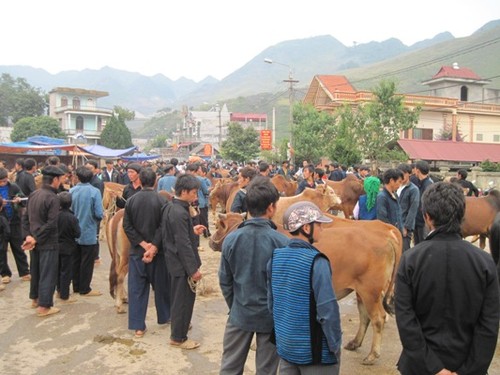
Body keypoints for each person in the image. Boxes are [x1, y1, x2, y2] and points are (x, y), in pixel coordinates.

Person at [395, 182, 499, 375]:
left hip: (419, 366)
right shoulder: (485, 263)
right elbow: (489, 325)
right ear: (462, 215)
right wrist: (470, 369)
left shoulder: (411, 260)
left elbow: (406, 320)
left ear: (427, 217)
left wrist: (434, 368)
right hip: (467, 364)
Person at [219, 176, 289, 374]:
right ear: (271, 208)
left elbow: (225, 282)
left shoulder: (231, 240)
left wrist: (235, 307)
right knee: (266, 370)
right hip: (270, 318)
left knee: (230, 366)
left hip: (239, 314)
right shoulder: (282, 243)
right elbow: (284, 287)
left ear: (248, 207)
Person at [268, 201, 341, 374]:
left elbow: (272, 304)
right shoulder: (317, 262)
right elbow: (327, 311)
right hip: (315, 354)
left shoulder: (275, 257)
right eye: (319, 225)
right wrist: (334, 345)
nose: (322, 229)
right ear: (306, 228)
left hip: (286, 348)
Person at [123, 168, 170, 338]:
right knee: (162, 287)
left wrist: (143, 245)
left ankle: (138, 327)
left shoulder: (131, 201)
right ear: (156, 181)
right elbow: (164, 227)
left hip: (137, 252)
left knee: (137, 289)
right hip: (159, 253)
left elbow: (127, 227)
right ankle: (165, 316)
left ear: (140, 181)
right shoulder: (163, 201)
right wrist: (153, 247)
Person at [161, 174, 206, 349]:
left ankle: (179, 330)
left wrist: (191, 230)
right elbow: (183, 244)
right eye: (194, 193)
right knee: (183, 301)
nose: (196, 196)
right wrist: (193, 269)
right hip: (181, 264)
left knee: (179, 298)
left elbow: (175, 235)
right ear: (184, 191)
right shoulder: (180, 212)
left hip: (173, 261)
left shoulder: (172, 207)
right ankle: (178, 337)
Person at [21, 165, 66, 317]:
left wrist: (28, 236)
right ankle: (44, 306)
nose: (61, 182)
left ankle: (35, 298)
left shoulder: (34, 194)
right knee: (48, 273)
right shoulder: (53, 198)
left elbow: (25, 218)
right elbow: (51, 223)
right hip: (47, 241)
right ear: (55, 180)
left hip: (34, 241)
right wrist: (34, 238)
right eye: (60, 179)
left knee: (36, 270)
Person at [70, 166, 104, 297]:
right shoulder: (94, 192)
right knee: (87, 262)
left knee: (75, 260)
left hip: (73, 232)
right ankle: (85, 288)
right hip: (88, 231)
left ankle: (76, 286)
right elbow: (99, 213)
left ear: (77, 177)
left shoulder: (71, 191)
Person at [0, 167, 30, 284]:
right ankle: (5, 273)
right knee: (1, 249)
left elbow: (23, 199)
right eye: (1, 181)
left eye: (4, 180)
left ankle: (24, 272)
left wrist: (19, 200)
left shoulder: (14, 187)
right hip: (1, 224)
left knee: (18, 247)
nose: (3, 183)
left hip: (14, 222)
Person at [56, 191, 81, 303]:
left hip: (56, 246)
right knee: (66, 271)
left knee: (57, 269)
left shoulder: (54, 215)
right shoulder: (72, 218)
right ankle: (65, 295)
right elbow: (77, 233)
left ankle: (59, 290)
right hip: (68, 247)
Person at [396, 164, 420, 251]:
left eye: (403, 174)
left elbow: (413, 209)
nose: (401, 177)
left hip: (404, 224)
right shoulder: (396, 187)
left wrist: (406, 227)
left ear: (409, 174)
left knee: (404, 250)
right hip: (395, 223)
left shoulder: (413, 189)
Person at [376, 169, 404, 234]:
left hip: (397, 232)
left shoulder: (395, 194)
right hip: (389, 234)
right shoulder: (382, 197)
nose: (400, 185)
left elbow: (399, 214)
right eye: (399, 182)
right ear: (391, 181)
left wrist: (401, 227)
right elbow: (382, 219)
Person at [413, 160, 433, 245]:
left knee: (423, 244)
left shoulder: (428, 185)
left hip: (423, 221)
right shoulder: (420, 183)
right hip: (418, 220)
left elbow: (427, 204)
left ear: (417, 170)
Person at [0, 196, 10, 292]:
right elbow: (7, 231)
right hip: (2, 243)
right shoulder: (2, 219)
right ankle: (5, 275)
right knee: (2, 260)